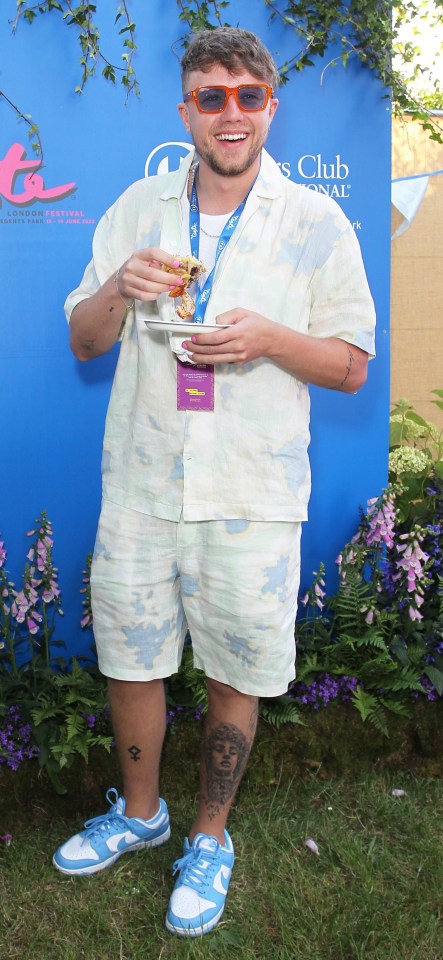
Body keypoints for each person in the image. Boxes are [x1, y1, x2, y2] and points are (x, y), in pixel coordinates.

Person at [53, 26, 376, 938]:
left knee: (237, 670)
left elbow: (352, 365)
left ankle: (207, 835)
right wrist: (119, 284)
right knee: (131, 654)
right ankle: (140, 811)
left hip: (250, 492)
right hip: (144, 483)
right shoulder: (136, 207)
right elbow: (83, 339)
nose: (228, 113)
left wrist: (266, 337)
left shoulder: (315, 221)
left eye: (245, 95)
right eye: (209, 96)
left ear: (270, 106)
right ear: (184, 109)